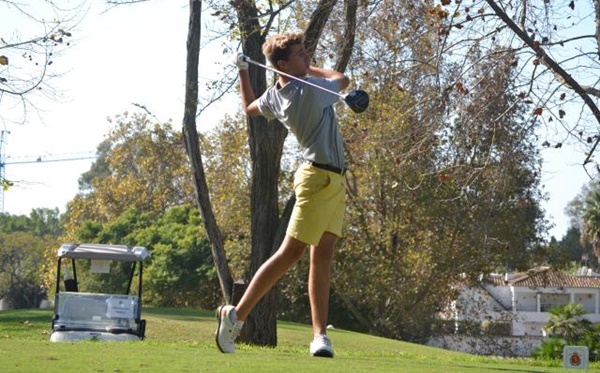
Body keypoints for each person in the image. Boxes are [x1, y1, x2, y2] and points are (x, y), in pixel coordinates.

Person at [215, 31, 350, 358]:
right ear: (283, 64)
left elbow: (249, 107)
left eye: (306, 53)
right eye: (301, 55)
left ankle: (320, 335)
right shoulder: (307, 91)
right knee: (290, 254)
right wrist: (315, 70)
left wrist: (243, 72)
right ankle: (236, 315)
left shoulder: (278, 94)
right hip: (317, 179)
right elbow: (342, 79)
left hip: (333, 181)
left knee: (324, 253)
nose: (308, 58)